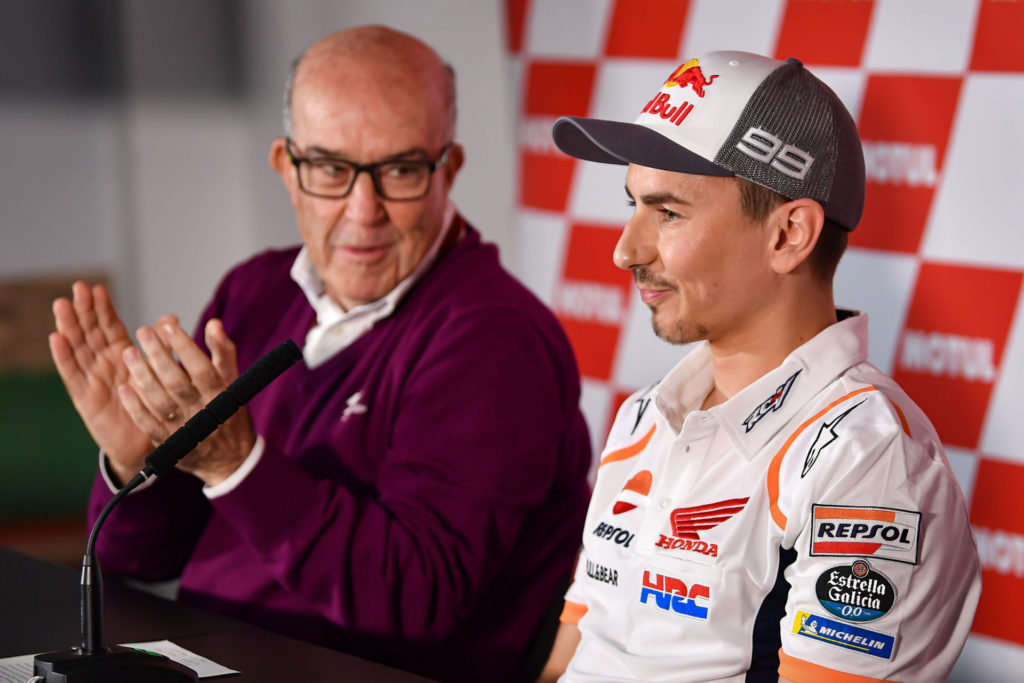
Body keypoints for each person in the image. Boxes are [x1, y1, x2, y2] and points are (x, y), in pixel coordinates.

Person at [48, 25, 592, 682]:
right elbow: (141, 558)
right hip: (204, 657)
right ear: (287, 167)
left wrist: (237, 463)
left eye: (400, 170)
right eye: (333, 169)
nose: (365, 212)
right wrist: (137, 464)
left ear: (447, 169)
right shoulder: (255, 290)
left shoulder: (494, 337)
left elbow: (417, 599)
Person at [541, 51, 981, 682]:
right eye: (632, 205)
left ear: (788, 236)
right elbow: (574, 654)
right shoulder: (645, 415)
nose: (623, 250)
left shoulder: (868, 460)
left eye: (667, 213)